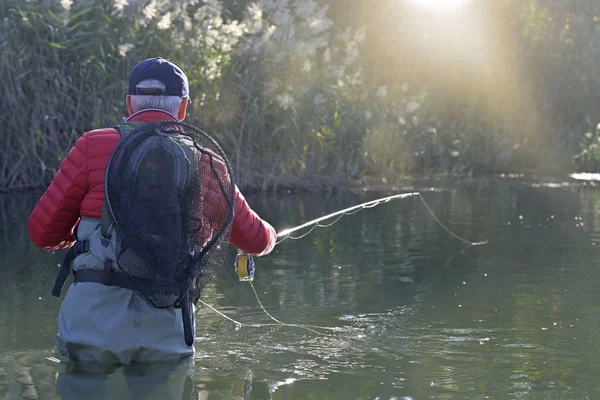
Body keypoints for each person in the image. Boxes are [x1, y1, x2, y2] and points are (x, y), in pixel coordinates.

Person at [27, 57, 277, 364]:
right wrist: (273, 236)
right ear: (183, 107)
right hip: (167, 327)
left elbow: (42, 232)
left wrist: (84, 238)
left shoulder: (93, 145)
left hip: (93, 320)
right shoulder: (206, 159)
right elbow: (255, 240)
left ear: (130, 103)